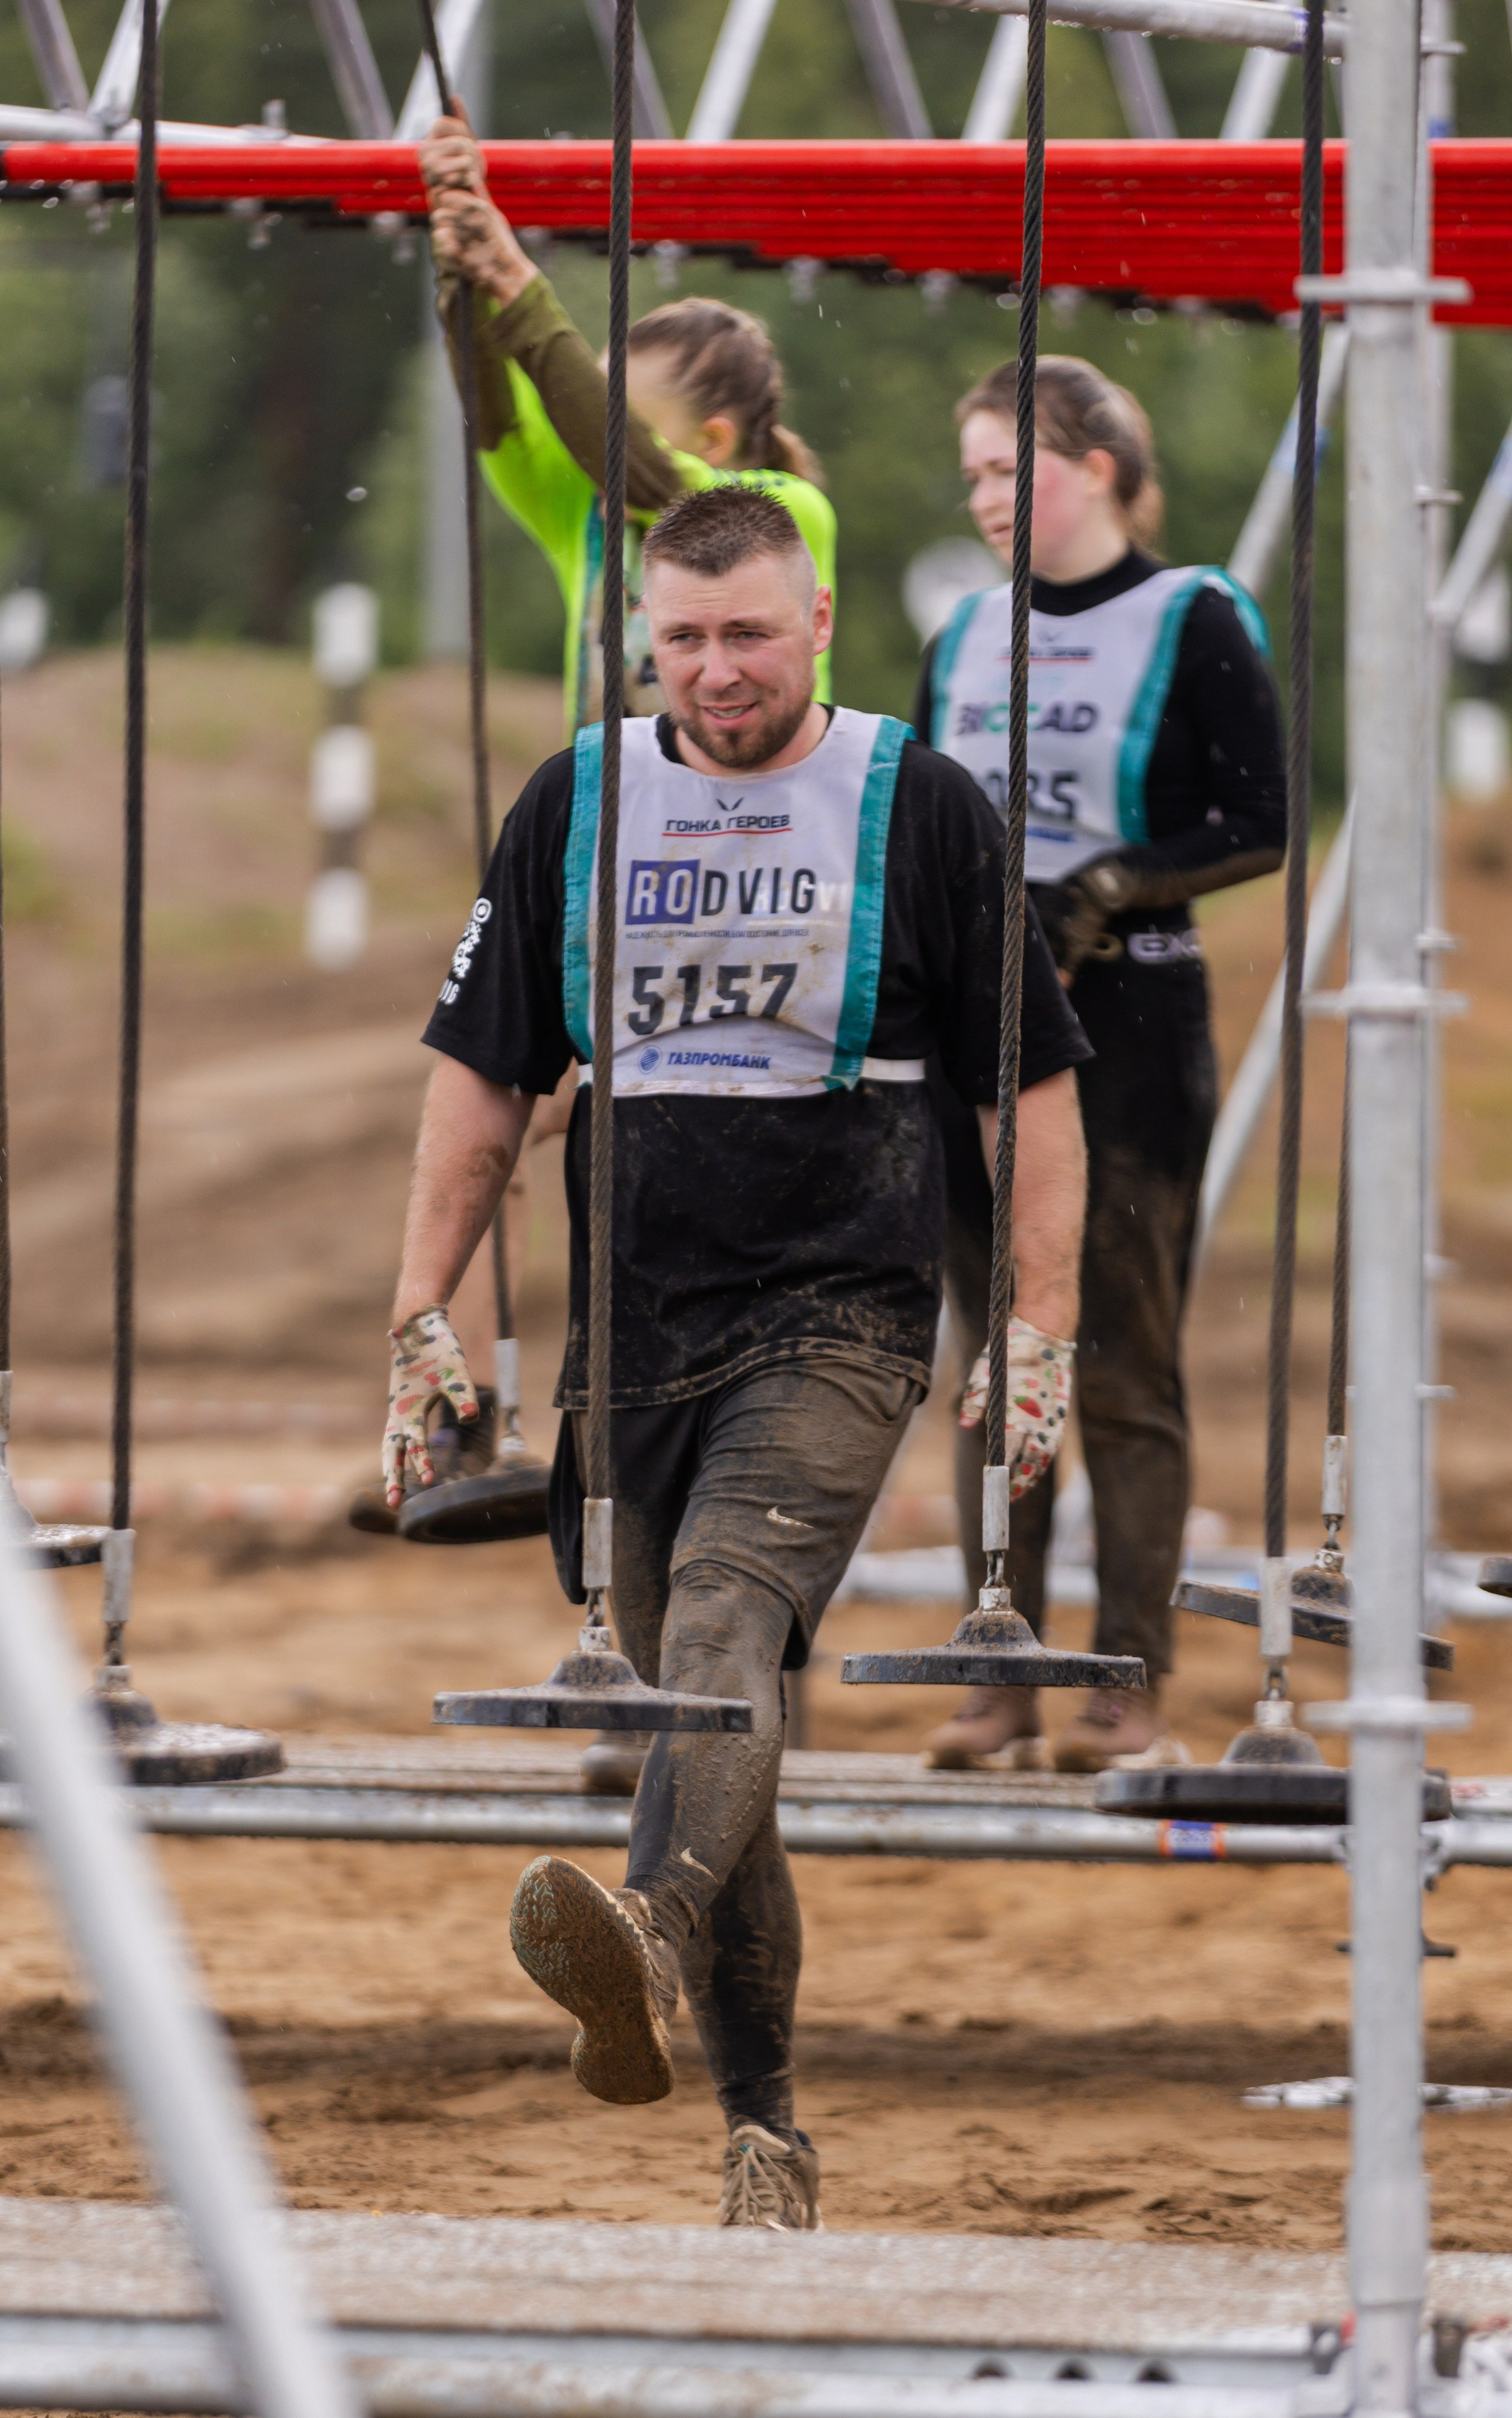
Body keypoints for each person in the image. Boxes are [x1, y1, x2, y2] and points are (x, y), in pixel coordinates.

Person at [380, 483, 1090, 2225]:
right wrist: (420, 1319)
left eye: (749, 634)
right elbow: (483, 1083)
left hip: (840, 1313)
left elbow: (1035, 1092)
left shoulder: (921, 804)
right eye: (684, 638)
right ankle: (765, 2135)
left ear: (822, 619)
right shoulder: (578, 801)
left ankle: (647, 1928)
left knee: (718, 1626)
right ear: (648, 640)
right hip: (632, 1336)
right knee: (711, 1723)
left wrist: (1041, 1331)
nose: (716, 671)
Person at [915, 355, 1287, 1777]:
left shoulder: (1188, 615)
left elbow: (1259, 816)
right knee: (988, 1361)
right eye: (972, 472)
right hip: (970, 1044)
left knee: (1118, 1365)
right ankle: (995, 1661)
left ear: (1101, 464)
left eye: (1007, 466)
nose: (985, 495)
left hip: (1127, 1032)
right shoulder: (959, 632)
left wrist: (1107, 884)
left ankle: (1126, 1676)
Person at [419, 110, 837, 735]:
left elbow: (647, 478)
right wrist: (463, 266)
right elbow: (497, 409)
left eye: (617, 414)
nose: (586, 431)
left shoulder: (792, 513)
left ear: (712, 441)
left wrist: (512, 274)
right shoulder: (583, 508)